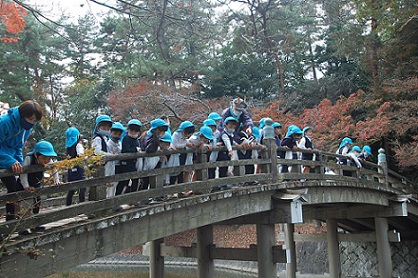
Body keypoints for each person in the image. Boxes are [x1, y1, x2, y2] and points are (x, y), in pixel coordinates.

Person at [0, 100, 43, 221]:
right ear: (23, 115)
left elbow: (18, 146)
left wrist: (20, 163)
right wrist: (10, 161)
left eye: (35, 120)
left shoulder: (25, 128)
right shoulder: (4, 123)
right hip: (4, 158)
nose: (32, 123)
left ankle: (10, 221)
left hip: (7, 160)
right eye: (31, 119)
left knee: (13, 189)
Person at [17, 141, 61, 234]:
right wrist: (26, 186)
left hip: (36, 183)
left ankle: (35, 224)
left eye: (49, 158)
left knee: (37, 203)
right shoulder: (29, 158)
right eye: (44, 158)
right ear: (37, 155)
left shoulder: (49, 161)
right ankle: (22, 227)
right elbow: (23, 173)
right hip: (24, 184)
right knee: (25, 206)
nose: (46, 161)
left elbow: (54, 168)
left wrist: (56, 180)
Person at [116, 119, 142, 195]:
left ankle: (132, 199)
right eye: (132, 130)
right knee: (124, 181)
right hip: (125, 164)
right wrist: (136, 150)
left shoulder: (136, 140)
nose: (133, 132)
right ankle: (116, 198)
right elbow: (126, 149)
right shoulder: (126, 138)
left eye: (136, 130)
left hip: (133, 164)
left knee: (135, 181)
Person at [65, 127, 87, 205]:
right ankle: (81, 205)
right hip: (79, 168)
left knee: (71, 189)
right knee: (82, 187)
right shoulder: (78, 145)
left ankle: (68, 206)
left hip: (71, 169)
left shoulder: (68, 147)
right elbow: (81, 155)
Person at [169, 121, 195, 185]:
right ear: (184, 131)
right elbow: (175, 145)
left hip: (182, 156)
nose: (190, 135)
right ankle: (171, 191)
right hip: (175, 157)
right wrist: (185, 144)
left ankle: (180, 191)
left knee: (181, 173)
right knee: (174, 174)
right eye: (189, 133)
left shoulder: (185, 137)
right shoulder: (176, 135)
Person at [106, 122, 125, 197]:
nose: (117, 136)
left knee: (118, 185)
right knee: (111, 186)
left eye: (119, 134)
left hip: (119, 166)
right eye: (115, 133)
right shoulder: (108, 144)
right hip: (111, 168)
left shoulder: (120, 144)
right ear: (110, 132)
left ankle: (116, 202)